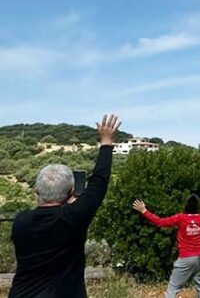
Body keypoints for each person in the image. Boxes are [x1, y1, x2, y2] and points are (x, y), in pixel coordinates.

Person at [9, 114, 121, 298]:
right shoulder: (74, 217)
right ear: (70, 192)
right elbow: (99, 181)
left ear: (37, 190)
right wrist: (106, 141)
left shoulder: (20, 221)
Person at [133, 194, 200, 297]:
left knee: (173, 289)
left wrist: (144, 211)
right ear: (198, 207)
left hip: (186, 257)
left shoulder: (180, 218)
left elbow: (160, 222)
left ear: (186, 206)